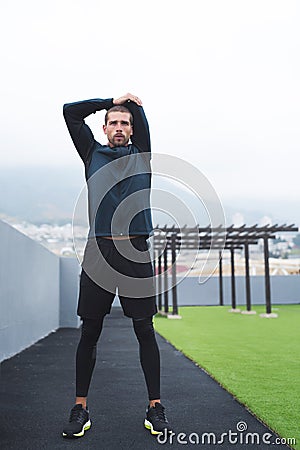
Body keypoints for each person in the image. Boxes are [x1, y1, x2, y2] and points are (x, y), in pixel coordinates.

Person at [62, 93, 172, 438]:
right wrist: (111, 99)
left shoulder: (142, 155)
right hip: (99, 252)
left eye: (126, 122)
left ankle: (155, 407)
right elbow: (70, 112)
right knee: (90, 332)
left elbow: (140, 115)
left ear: (132, 128)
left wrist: (132, 103)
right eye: (115, 122)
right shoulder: (92, 154)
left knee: (144, 331)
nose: (120, 127)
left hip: (136, 252)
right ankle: (80, 408)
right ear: (105, 127)